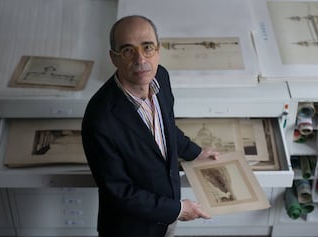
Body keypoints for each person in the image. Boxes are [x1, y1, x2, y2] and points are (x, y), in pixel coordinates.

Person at [81, 15, 219, 237]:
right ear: (113, 58)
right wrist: (178, 209)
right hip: (131, 228)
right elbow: (120, 192)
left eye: (147, 47)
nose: (140, 59)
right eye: (127, 50)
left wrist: (196, 152)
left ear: (158, 50)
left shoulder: (160, 77)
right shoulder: (100, 119)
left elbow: (166, 129)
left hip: (166, 216)